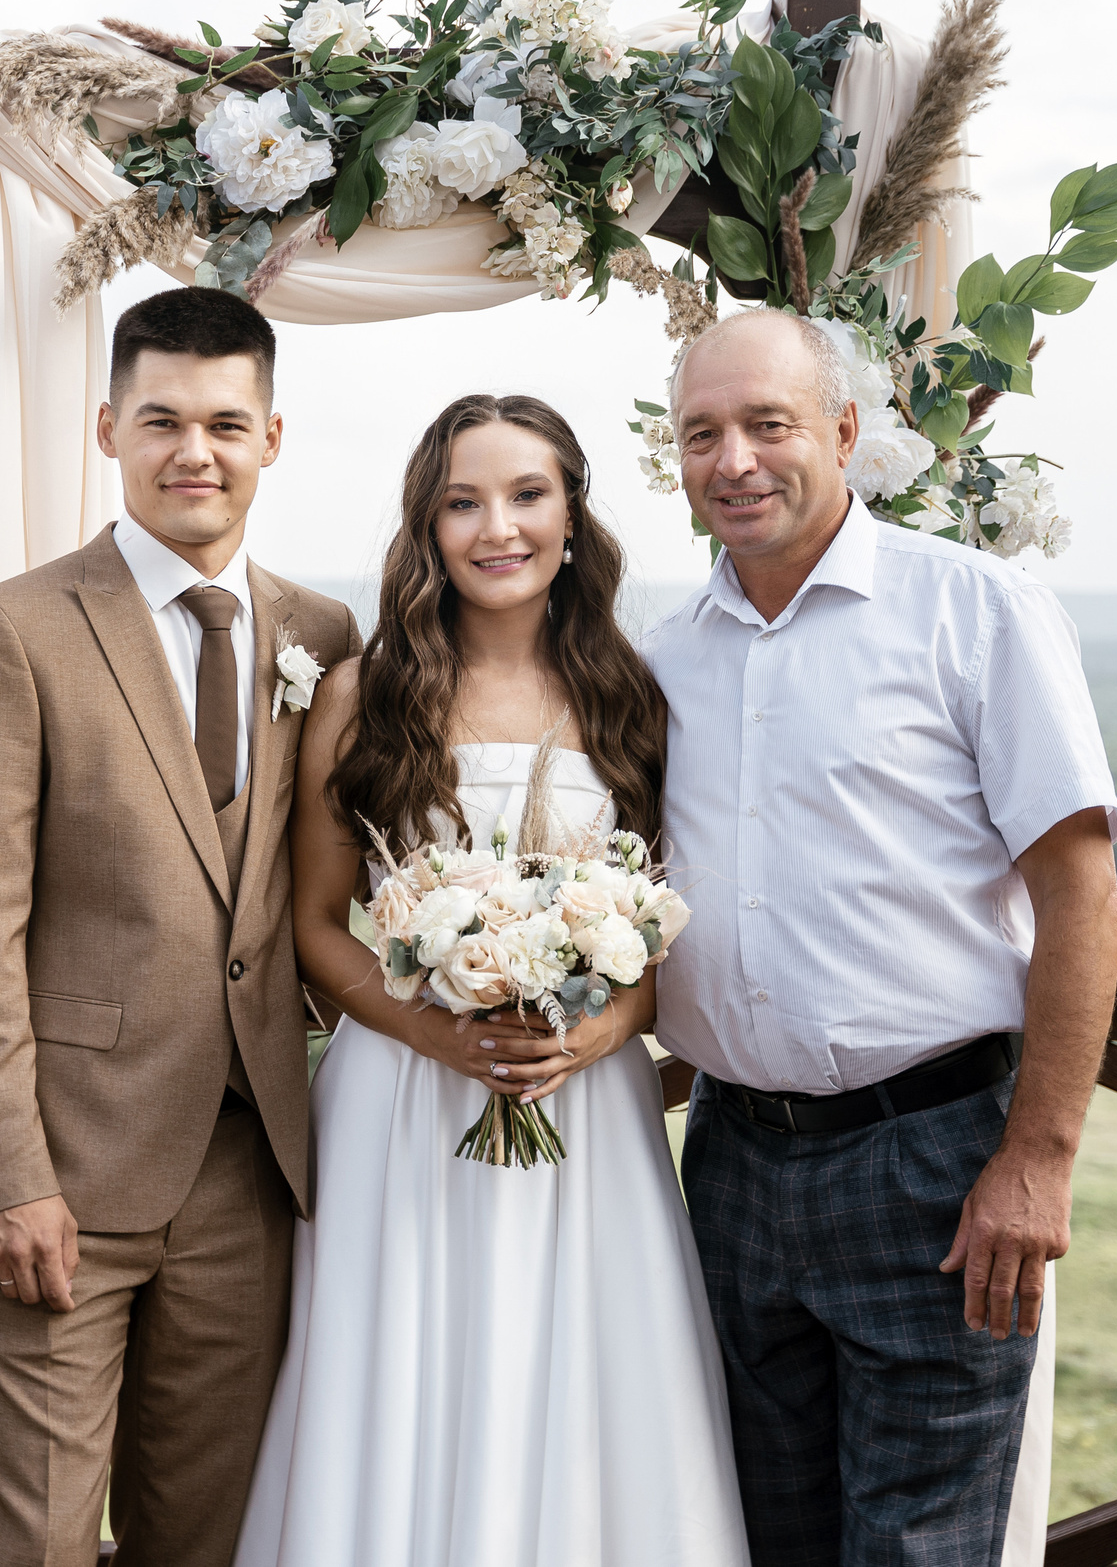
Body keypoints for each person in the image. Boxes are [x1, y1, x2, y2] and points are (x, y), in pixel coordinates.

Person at [640, 308, 1117, 1565]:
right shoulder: (659, 657)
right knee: (761, 1538)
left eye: (768, 425)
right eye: (702, 435)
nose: (734, 461)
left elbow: (1082, 899)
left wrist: (1038, 1159)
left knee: (922, 1551)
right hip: (732, 1163)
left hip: (934, 1166)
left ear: (845, 433)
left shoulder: (971, 609)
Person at [234, 394, 749, 1567]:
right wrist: (438, 1033)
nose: (496, 527)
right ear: (427, 524)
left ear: (572, 513)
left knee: (577, 1368)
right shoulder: (366, 692)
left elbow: (672, 928)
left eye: (526, 496)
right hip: (400, 1100)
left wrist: (598, 1028)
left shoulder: (632, 689)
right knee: (400, 1367)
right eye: (463, 501)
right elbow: (316, 922)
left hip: (586, 1104)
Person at [0, 286, 361, 1566]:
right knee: (32, 1541)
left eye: (227, 424)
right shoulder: (13, 630)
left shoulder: (324, 639)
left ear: (271, 440)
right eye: (162, 419)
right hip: (68, 1171)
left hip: (251, 1173)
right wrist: (5, 1179)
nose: (195, 452)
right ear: (109, 429)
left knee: (209, 1537)